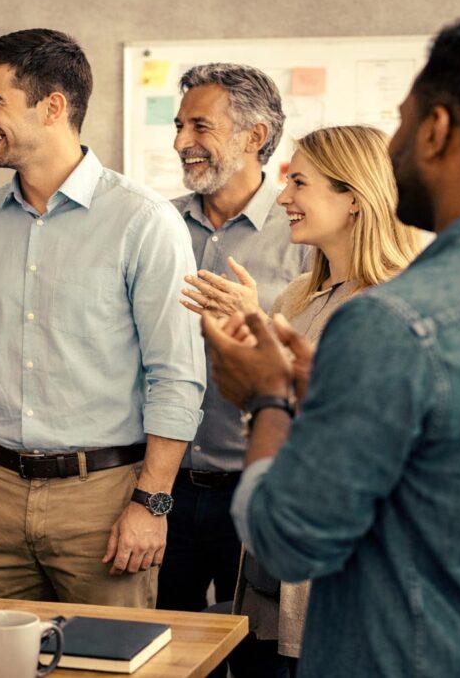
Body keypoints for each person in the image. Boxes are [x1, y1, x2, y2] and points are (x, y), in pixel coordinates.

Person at [203, 13, 460, 675]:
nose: (393, 149)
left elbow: (287, 537)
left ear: (435, 130)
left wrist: (268, 399)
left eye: (401, 123)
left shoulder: (395, 321)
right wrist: (325, 397)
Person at [0, 29, 205, 606]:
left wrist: (151, 504)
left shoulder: (143, 221)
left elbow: (175, 375)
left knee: (103, 653)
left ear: (52, 106)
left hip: (103, 500)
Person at [185, 124, 422, 675]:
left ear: (354, 198)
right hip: (273, 563)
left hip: (336, 579)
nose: (283, 197)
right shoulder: (300, 295)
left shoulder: (392, 304)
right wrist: (255, 328)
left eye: (300, 183)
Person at [158, 63, 310, 613]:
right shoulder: (158, 225)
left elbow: (318, 365)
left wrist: (256, 319)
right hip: (163, 489)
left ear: (254, 136)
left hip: (256, 490)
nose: (182, 142)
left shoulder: (303, 232)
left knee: (254, 647)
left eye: (200, 126)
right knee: (161, 641)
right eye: (180, 126)